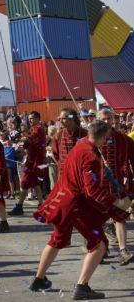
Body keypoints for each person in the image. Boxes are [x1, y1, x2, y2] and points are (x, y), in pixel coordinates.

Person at [30, 120, 132, 299]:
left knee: (58, 239)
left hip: (62, 199)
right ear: (104, 136)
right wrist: (117, 203)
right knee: (99, 244)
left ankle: (39, 279)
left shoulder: (82, 143)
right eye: (107, 137)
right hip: (74, 203)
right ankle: (81, 286)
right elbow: (92, 190)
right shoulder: (90, 154)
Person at [98, 108, 134, 265]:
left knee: (119, 218)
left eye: (109, 119)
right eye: (104, 119)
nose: (107, 122)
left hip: (118, 186)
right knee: (98, 219)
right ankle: (100, 248)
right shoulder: (93, 138)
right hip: (98, 186)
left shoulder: (123, 139)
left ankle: (124, 250)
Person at [9, 111, 46, 216]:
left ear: (38, 118)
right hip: (34, 161)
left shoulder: (38, 128)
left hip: (34, 161)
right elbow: (31, 143)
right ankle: (40, 205)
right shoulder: (35, 129)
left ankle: (19, 206)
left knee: (25, 183)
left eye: (33, 118)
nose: (30, 120)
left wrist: (26, 139)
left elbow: (33, 138)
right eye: (29, 118)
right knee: (35, 184)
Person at [52, 108, 88, 178]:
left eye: (63, 119)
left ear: (72, 118)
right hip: (64, 173)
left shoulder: (85, 134)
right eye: (60, 119)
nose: (61, 121)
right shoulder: (57, 136)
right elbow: (55, 154)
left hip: (80, 174)